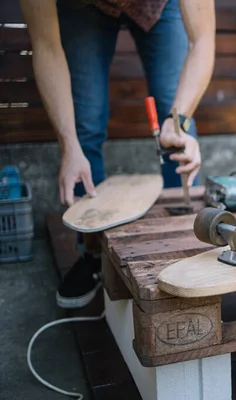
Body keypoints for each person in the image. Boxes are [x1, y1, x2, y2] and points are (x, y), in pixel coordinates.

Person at [18, 0, 215, 308]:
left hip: (161, 6)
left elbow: (201, 40)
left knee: (173, 107)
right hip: (83, 7)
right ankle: (93, 254)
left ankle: (184, 241)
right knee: (85, 124)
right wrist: (70, 146)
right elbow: (46, 47)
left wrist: (179, 119)